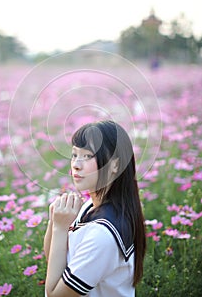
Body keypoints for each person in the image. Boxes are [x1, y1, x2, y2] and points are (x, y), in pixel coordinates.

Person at [44, 120, 146, 296]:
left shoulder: (103, 234)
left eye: (88, 156)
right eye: (74, 155)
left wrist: (60, 228)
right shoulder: (92, 206)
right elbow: (56, 262)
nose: (76, 164)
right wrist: (55, 221)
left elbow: (55, 294)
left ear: (115, 165)